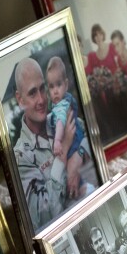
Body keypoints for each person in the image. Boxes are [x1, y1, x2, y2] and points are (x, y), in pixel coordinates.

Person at [12, 57, 82, 231]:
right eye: (32, 93)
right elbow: (44, 218)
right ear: (20, 99)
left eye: (43, 88)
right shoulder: (21, 157)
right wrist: (64, 150)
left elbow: (88, 138)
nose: (42, 99)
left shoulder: (59, 119)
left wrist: (78, 156)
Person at [45, 55, 94, 201]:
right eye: (51, 86)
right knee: (69, 176)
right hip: (72, 147)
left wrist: (59, 140)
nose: (55, 91)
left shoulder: (62, 106)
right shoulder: (63, 102)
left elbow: (60, 123)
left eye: (58, 85)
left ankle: (79, 189)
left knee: (69, 177)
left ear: (66, 85)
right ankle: (79, 188)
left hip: (73, 145)